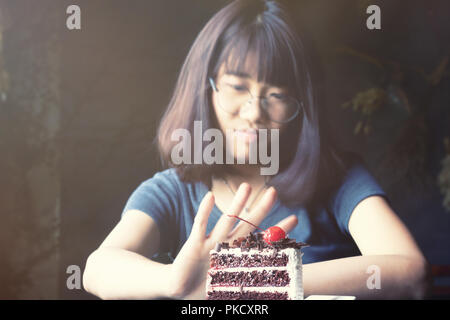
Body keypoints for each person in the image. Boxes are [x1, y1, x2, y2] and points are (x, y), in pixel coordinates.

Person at [82, 0, 430, 300]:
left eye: (277, 95)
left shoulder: (339, 179)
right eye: (236, 86)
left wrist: (248, 278)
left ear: (301, 104)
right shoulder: (172, 192)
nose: (253, 112)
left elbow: (409, 270)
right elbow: (99, 268)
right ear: (208, 88)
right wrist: (177, 282)